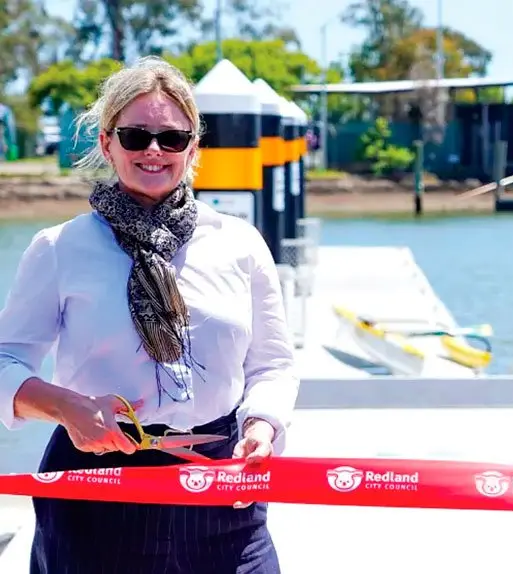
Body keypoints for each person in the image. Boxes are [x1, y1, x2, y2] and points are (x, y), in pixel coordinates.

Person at [0, 56, 300, 573]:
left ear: (194, 145)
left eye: (173, 138)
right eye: (136, 136)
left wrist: (263, 426)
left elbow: (272, 364)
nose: (154, 150)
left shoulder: (241, 244)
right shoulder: (60, 248)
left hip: (222, 480)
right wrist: (66, 406)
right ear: (106, 143)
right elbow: (5, 363)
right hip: (95, 489)